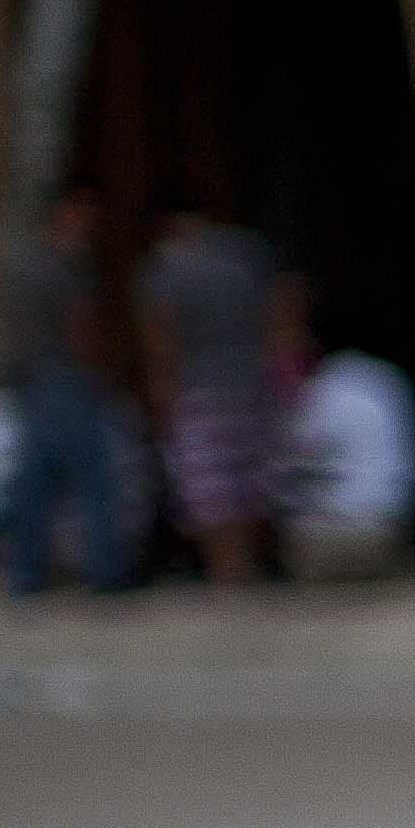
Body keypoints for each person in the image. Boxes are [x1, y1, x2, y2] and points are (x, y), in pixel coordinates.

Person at [0, 184, 134, 596]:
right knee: (95, 479)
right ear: (65, 213)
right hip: (65, 381)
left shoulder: (24, 266)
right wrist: (101, 372)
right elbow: (80, 326)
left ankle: (26, 575)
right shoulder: (67, 267)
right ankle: (106, 575)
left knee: (35, 482)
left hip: (32, 383)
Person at [140, 203, 286, 586]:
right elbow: (274, 313)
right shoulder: (245, 258)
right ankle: (248, 567)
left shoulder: (170, 269)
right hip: (248, 385)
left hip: (199, 392)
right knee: (249, 482)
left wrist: (162, 392)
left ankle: (225, 570)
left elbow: (162, 337)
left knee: (209, 488)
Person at [271, 276, 415, 580]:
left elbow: (298, 460)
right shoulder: (391, 379)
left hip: (348, 532)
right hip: (396, 523)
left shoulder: (328, 386)